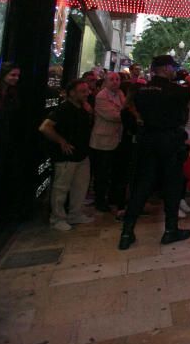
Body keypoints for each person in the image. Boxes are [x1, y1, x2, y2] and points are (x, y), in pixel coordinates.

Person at [118, 56, 190, 250]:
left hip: (147, 140)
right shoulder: (175, 89)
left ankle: (127, 232)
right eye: (173, 67)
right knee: (172, 185)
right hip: (170, 141)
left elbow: (127, 110)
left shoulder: (141, 90)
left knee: (142, 186)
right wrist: (186, 76)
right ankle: (170, 230)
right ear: (166, 68)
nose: (175, 70)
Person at [39, 79, 94, 231]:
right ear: (72, 93)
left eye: (87, 90)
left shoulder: (83, 108)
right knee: (61, 188)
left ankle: (75, 214)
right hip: (66, 157)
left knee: (80, 187)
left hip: (82, 154)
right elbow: (45, 127)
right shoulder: (63, 109)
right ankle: (57, 218)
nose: (87, 93)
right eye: (83, 91)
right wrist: (61, 141)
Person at [89, 71, 125, 213]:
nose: (115, 81)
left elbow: (124, 110)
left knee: (113, 171)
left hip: (116, 139)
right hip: (102, 141)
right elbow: (115, 116)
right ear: (105, 81)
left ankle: (112, 198)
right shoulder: (101, 96)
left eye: (117, 79)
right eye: (112, 79)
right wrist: (124, 112)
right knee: (101, 174)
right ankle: (100, 201)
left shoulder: (120, 94)